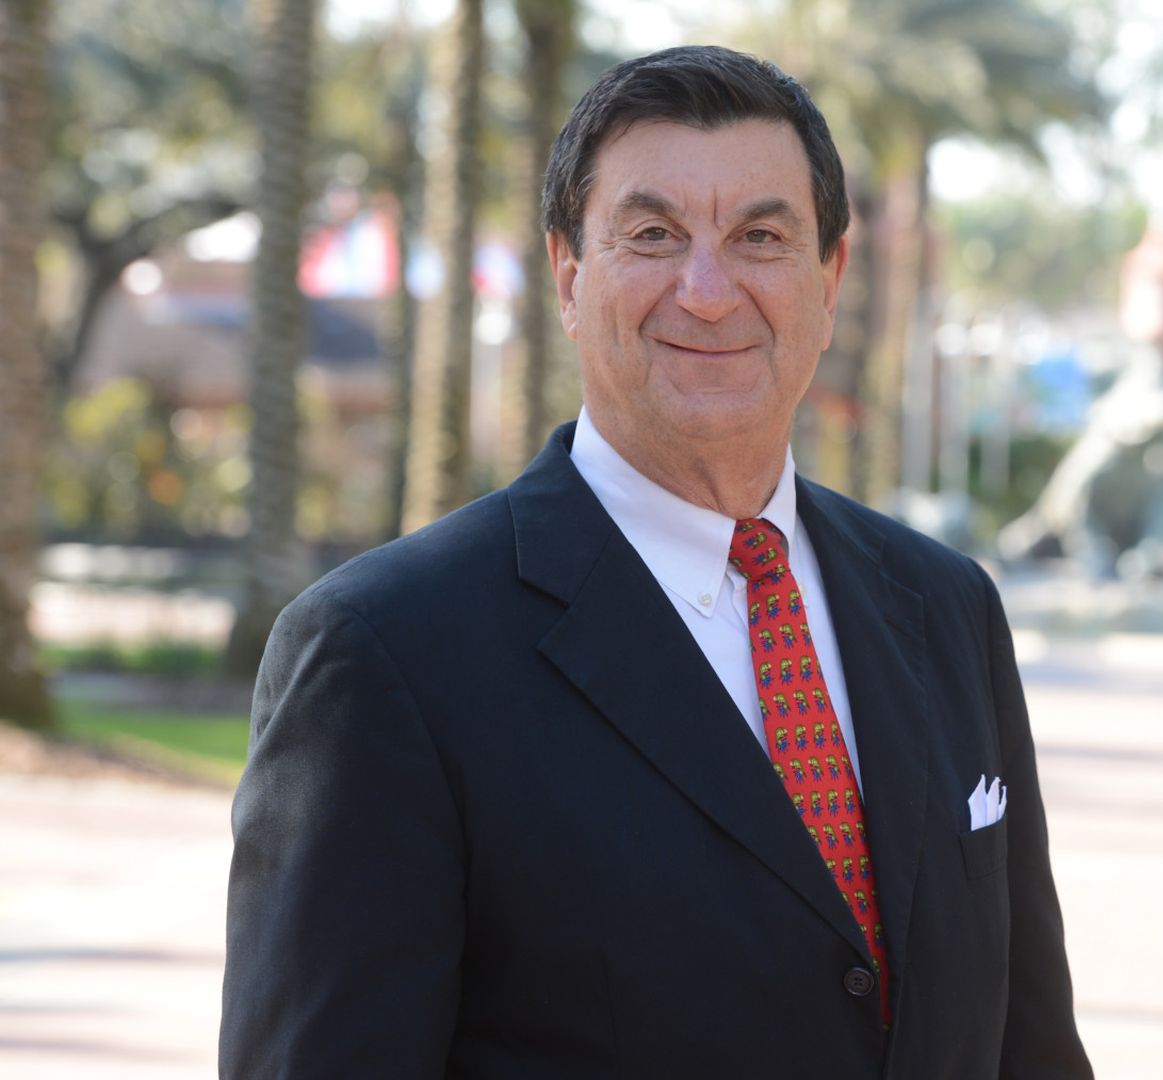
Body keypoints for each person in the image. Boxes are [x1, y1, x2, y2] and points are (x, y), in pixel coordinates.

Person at [219, 45, 1091, 1079]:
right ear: (570, 277)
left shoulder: (946, 607)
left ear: (830, 279)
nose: (710, 291)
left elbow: (1030, 1047)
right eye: (652, 234)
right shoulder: (384, 653)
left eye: (760, 236)